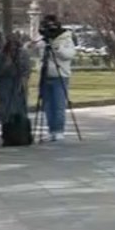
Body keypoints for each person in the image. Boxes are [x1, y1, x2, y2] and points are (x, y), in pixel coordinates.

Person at [34, 14, 76, 142]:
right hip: (45, 75)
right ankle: (51, 129)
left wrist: (57, 48)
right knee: (47, 105)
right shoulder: (43, 40)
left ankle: (58, 130)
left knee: (58, 105)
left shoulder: (66, 38)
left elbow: (69, 55)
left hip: (60, 75)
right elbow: (39, 55)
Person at [0, 32, 32, 146]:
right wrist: (7, 64)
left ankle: (23, 135)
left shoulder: (23, 53)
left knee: (20, 108)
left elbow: (26, 69)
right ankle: (7, 136)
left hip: (18, 82)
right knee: (6, 109)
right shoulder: (0, 54)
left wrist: (24, 79)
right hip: (5, 83)